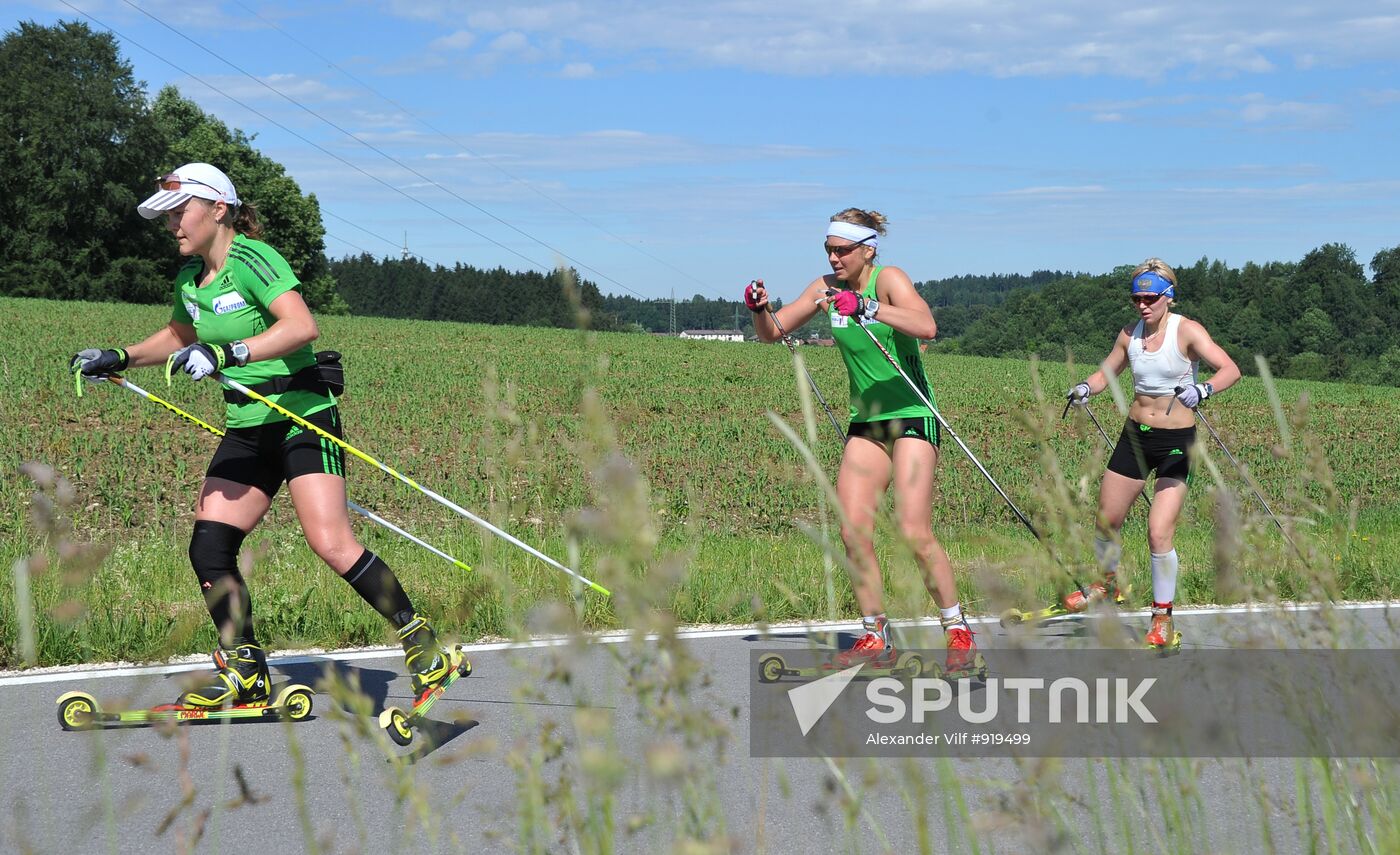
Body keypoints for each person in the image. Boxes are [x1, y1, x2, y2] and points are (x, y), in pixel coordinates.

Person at [69, 162, 459, 706]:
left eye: (180, 212)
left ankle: (422, 644)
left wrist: (228, 352)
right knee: (209, 547)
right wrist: (121, 356)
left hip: (301, 417)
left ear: (218, 210)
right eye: (167, 217)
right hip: (248, 426)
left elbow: (301, 326)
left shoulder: (254, 258)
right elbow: (180, 333)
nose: (172, 225)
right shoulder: (190, 280)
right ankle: (247, 668)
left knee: (331, 543)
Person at [745, 208, 978, 675]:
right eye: (829, 250)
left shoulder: (888, 279)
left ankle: (957, 629)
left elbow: (927, 327)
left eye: (843, 250)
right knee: (853, 531)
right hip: (866, 422)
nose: (834, 258)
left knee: (912, 530)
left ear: (867, 250)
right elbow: (773, 333)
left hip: (912, 415)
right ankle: (875, 636)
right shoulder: (824, 289)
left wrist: (868, 307)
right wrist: (758, 309)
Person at [1065, 258, 1240, 652]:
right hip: (1135, 437)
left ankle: (1162, 617)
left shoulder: (1187, 331)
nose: (1142, 305)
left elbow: (1230, 369)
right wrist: (1085, 388)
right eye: (1136, 299)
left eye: (1150, 299)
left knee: (1159, 531)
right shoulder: (1130, 334)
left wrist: (1204, 390)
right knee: (1107, 520)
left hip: (1176, 441)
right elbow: (1106, 373)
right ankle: (1107, 584)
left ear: (1168, 297)